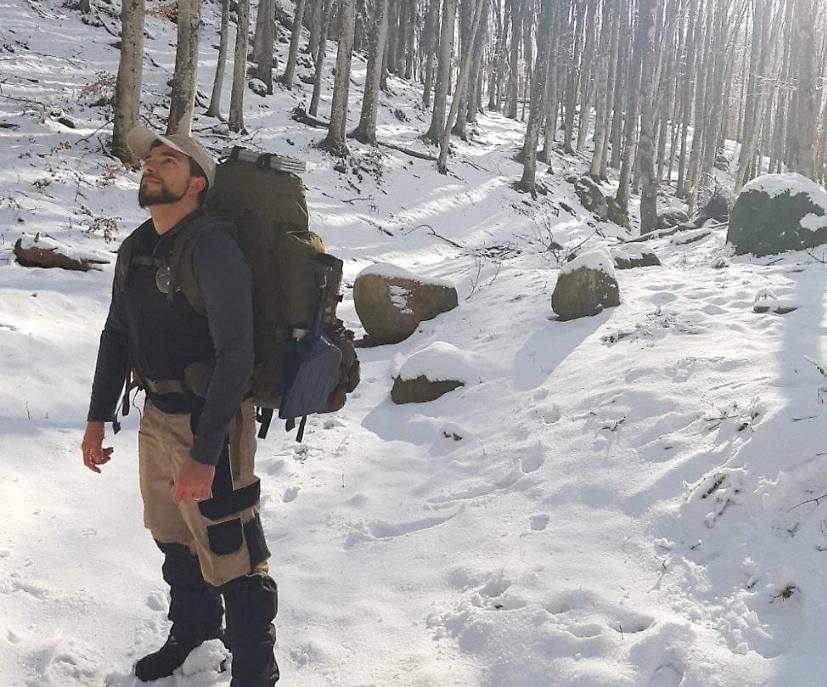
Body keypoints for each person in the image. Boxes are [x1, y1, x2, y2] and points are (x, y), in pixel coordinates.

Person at [81, 126, 279, 686]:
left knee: (232, 550)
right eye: (150, 159)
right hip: (157, 415)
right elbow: (117, 335)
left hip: (210, 419)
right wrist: (97, 417)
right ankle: (193, 632)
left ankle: (256, 672)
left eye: (168, 161)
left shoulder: (214, 249)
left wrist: (204, 453)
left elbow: (237, 355)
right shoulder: (138, 246)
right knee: (172, 536)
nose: (151, 165)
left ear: (197, 183)